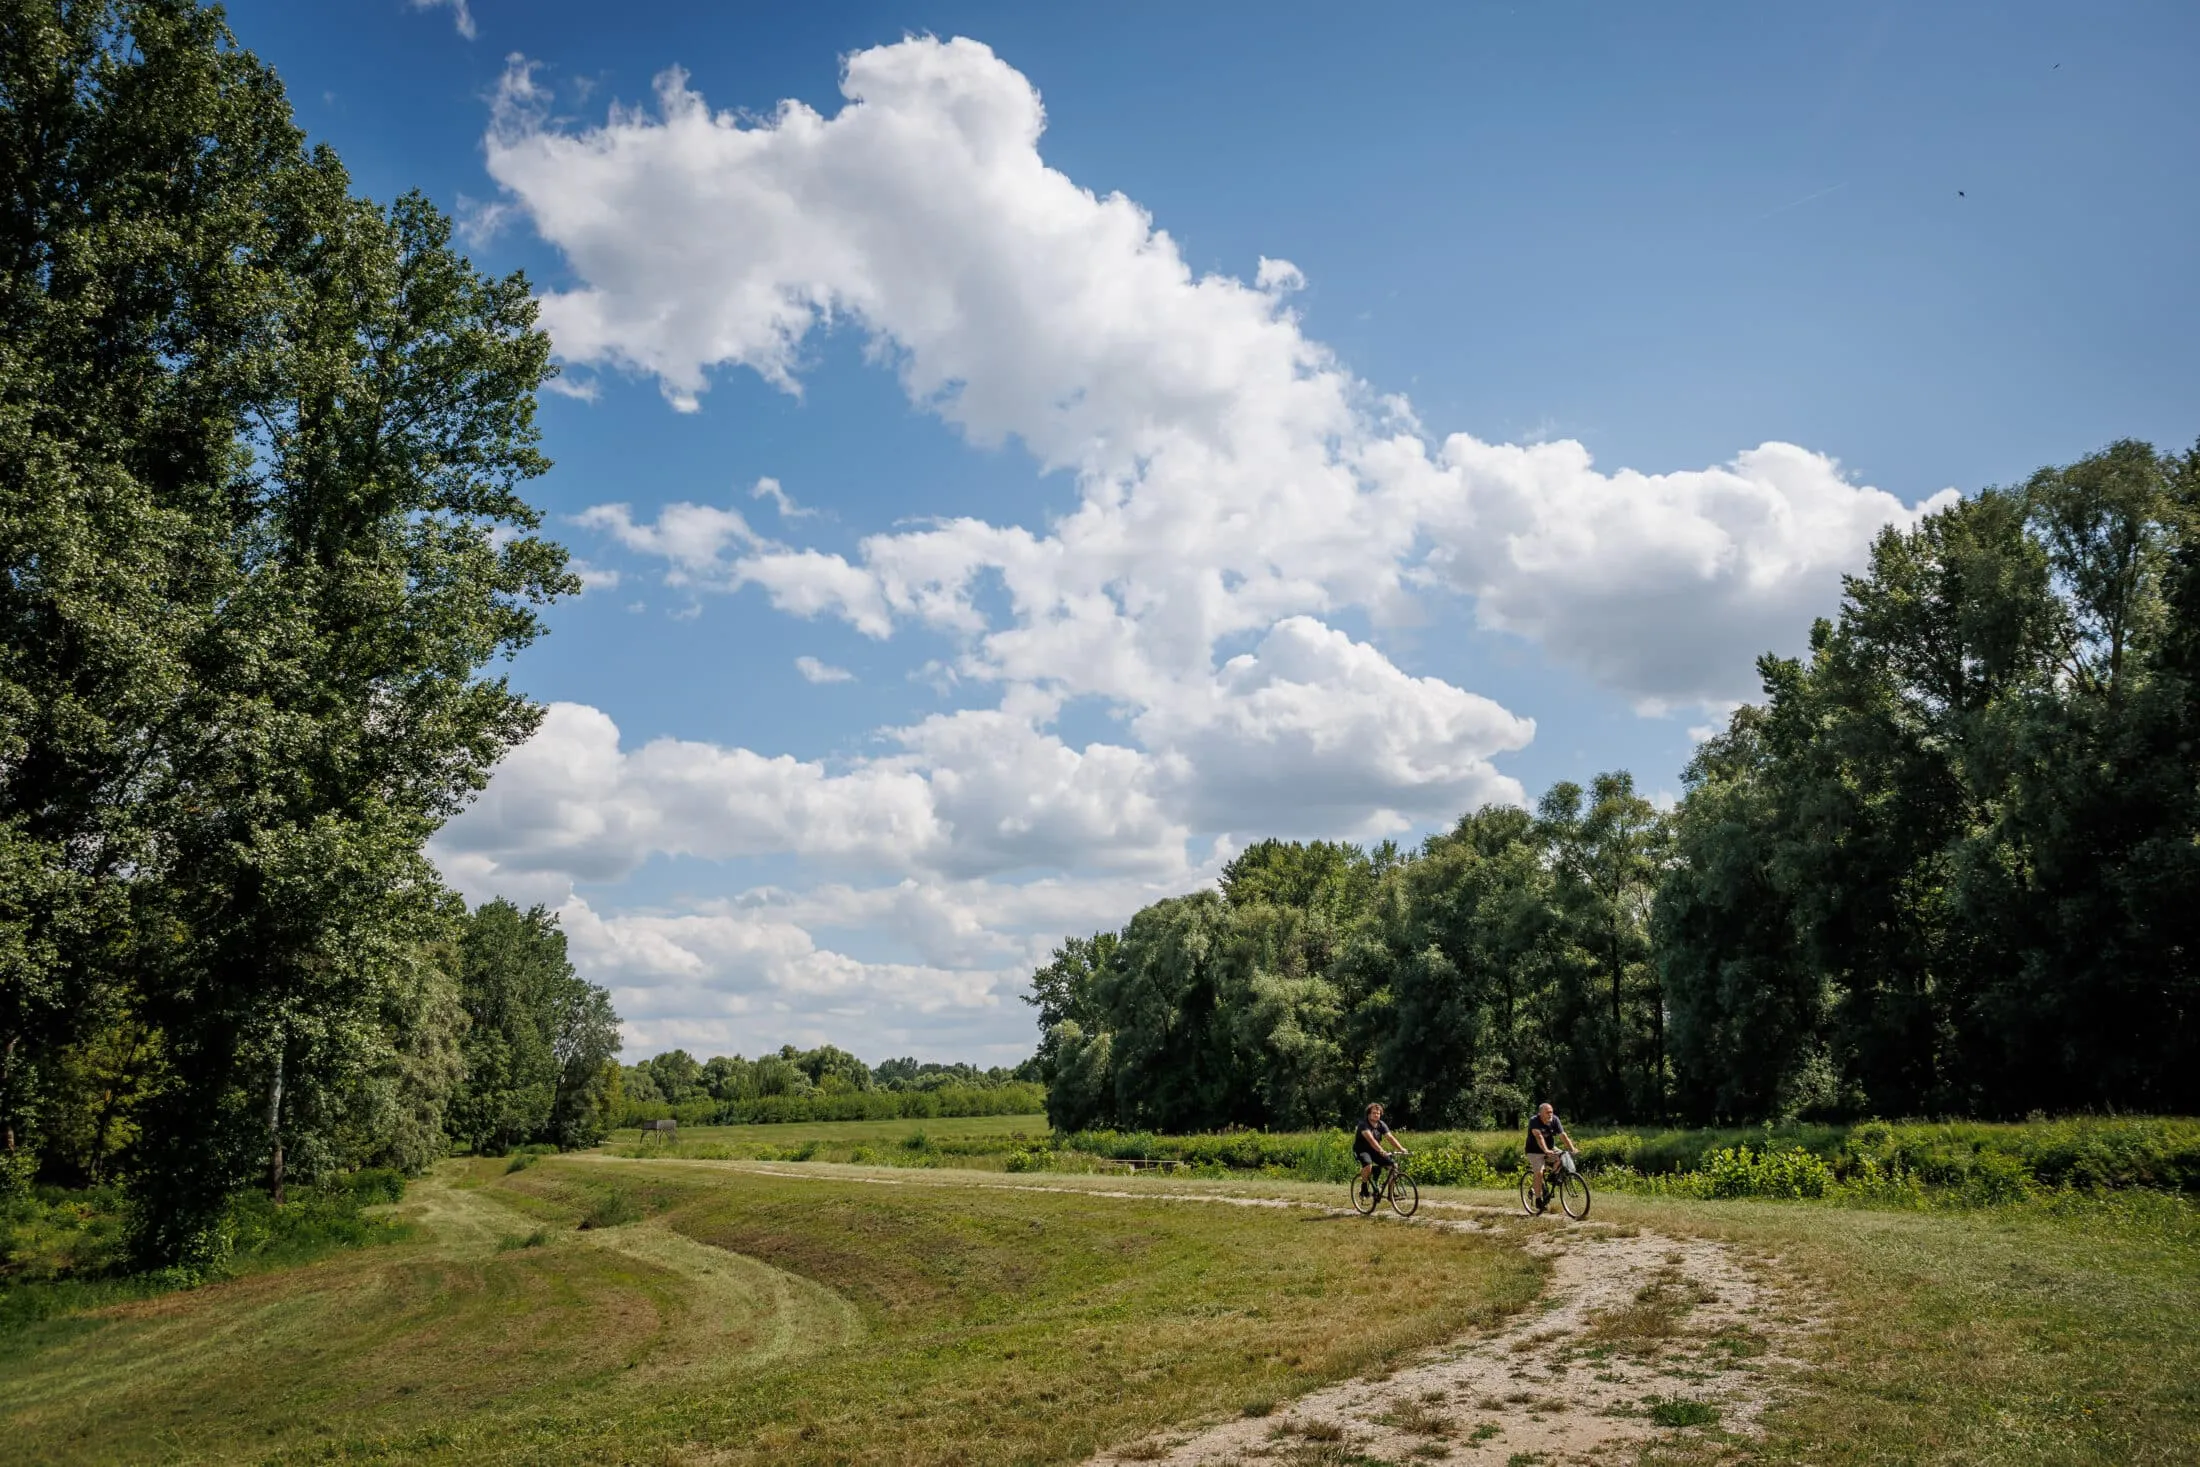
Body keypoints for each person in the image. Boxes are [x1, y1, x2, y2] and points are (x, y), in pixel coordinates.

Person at [1524, 1101, 1576, 1211]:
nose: (1550, 1114)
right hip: (1534, 1151)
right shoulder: (1534, 1121)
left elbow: (1563, 1135)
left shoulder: (1555, 1120)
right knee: (1539, 1173)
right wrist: (1546, 1150)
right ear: (1540, 1113)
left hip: (1550, 1148)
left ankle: (1552, 1177)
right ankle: (1538, 1200)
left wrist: (1572, 1149)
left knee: (1562, 1157)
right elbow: (1539, 1137)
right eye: (1547, 1112)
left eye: (1551, 1112)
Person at [1353, 1102, 1407, 1202]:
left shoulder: (1381, 1124)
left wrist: (1401, 1148)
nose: (1376, 1115)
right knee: (1368, 1165)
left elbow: (1390, 1137)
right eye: (1374, 1113)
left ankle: (1391, 1194)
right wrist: (1381, 1151)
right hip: (1362, 1150)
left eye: (1378, 1113)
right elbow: (1371, 1140)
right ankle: (1364, 1188)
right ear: (1368, 1114)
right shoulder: (1363, 1125)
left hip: (1375, 1150)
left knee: (1393, 1166)